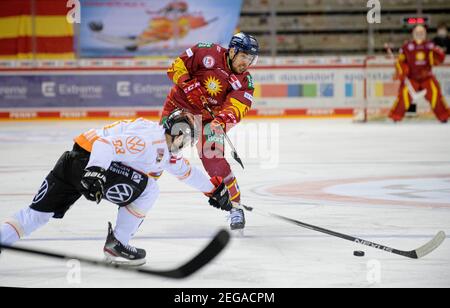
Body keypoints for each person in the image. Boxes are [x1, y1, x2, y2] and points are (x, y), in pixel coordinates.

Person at [0, 111, 233, 266]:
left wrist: (213, 190)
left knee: (36, 215)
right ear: (178, 132)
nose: (188, 145)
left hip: (73, 160)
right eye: (188, 139)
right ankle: (117, 244)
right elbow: (105, 145)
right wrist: (95, 172)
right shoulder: (151, 142)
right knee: (150, 188)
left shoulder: (161, 144)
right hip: (89, 162)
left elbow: (186, 172)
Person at [161, 32, 259, 231]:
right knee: (160, 151)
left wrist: (223, 119)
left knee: (214, 160)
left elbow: (239, 106)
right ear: (232, 51)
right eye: (244, 57)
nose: (246, 63)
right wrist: (187, 83)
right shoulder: (206, 51)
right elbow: (176, 66)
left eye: (250, 59)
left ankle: (235, 207)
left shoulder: (244, 81)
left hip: (209, 120)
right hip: (179, 107)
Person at [390, 25, 449, 123]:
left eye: (421, 32)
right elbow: (400, 61)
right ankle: (395, 116)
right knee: (403, 95)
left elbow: (439, 59)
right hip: (411, 78)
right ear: (413, 34)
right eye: (417, 32)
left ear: (425, 34)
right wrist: (401, 71)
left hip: (427, 77)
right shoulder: (407, 47)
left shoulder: (430, 45)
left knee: (435, 93)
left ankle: (443, 116)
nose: (419, 34)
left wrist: (438, 53)